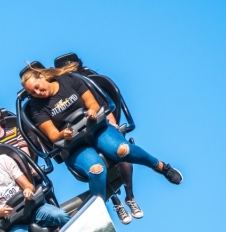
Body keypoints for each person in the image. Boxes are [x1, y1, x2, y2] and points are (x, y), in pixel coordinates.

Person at [21, 64, 183, 209]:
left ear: (42, 77)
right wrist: (63, 133)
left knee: (122, 150)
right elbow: (53, 135)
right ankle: (96, 209)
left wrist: (91, 110)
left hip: (97, 130)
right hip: (75, 146)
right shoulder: (37, 108)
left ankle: (160, 166)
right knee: (96, 169)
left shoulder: (69, 80)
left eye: (36, 86)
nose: (37, 92)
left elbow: (93, 103)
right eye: (31, 92)